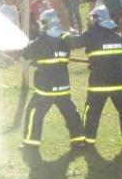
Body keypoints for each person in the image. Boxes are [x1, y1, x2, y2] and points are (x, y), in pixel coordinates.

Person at [69, 6, 122, 145]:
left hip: (99, 83)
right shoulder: (117, 37)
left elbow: (75, 43)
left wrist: (65, 35)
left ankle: (88, 138)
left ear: (96, 19)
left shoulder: (91, 34)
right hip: (119, 82)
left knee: (92, 111)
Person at [19, 9, 86, 149]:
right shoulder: (65, 38)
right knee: (71, 114)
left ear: (44, 23)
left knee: (34, 113)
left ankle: (31, 143)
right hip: (63, 87)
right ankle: (79, 139)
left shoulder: (40, 41)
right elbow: (77, 41)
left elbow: (25, 55)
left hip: (45, 89)